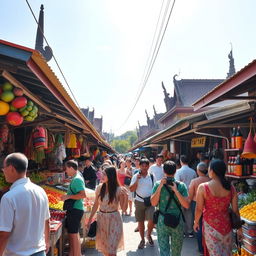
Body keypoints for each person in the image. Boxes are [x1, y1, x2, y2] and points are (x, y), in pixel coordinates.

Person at [0, 153, 50, 256]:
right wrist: (47, 242)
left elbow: (4, 234)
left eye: (4, 168)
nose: (3, 171)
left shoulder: (9, 197)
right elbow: (47, 221)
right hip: (40, 252)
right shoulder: (41, 191)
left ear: (11, 168)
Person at [194, 160, 243, 256]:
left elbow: (199, 209)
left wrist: (196, 222)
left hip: (210, 226)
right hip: (227, 226)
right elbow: (235, 210)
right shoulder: (231, 188)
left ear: (212, 171)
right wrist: (239, 228)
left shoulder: (203, 187)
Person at [87, 166, 128, 256]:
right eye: (102, 173)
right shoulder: (99, 188)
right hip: (102, 220)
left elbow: (124, 209)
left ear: (111, 176)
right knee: (105, 250)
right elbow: (95, 205)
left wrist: (126, 197)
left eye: (104, 174)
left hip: (114, 221)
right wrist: (90, 219)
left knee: (112, 251)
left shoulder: (118, 190)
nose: (102, 175)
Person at [151, 161, 189, 256]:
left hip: (162, 221)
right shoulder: (181, 185)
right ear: (175, 171)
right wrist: (175, 190)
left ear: (163, 171)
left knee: (164, 250)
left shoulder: (157, 184)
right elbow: (186, 205)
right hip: (177, 221)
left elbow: (153, 203)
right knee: (176, 251)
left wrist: (173, 190)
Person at [61, 160, 86, 256]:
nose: (66, 171)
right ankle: (74, 253)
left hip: (75, 209)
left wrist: (68, 196)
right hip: (76, 209)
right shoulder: (76, 177)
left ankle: (77, 254)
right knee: (73, 233)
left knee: (74, 234)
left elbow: (83, 195)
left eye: (66, 169)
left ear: (71, 168)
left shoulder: (77, 179)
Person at [130, 158, 156, 249]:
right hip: (139, 201)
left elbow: (155, 188)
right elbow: (131, 189)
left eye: (146, 166)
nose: (144, 168)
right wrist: (137, 180)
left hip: (150, 202)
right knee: (140, 221)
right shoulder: (136, 176)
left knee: (152, 220)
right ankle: (142, 239)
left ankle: (148, 235)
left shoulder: (152, 176)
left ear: (148, 166)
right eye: (142, 166)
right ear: (139, 166)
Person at [189, 162, 210, 255]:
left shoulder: (194, 181)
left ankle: (201, 248)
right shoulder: (210, 179)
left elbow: (190, 195)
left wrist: (187, 204)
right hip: (208, 204)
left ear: (198, 171)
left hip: (196, 204)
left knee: (198, 224)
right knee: (207, 226)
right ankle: (208, 247)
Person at [175, 155, 197, 238]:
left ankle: (183, 231)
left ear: (181, 161)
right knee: (190, 214)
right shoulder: (193, 171)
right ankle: (190, 231)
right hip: (191, 195)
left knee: (181, 213)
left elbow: (177, 184)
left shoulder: (178, 172)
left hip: (181, 195)